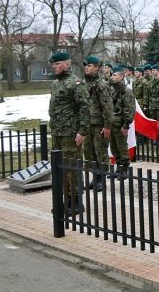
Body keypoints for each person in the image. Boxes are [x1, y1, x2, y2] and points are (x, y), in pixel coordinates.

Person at [48, 52, 90, 214]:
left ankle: (77, 203)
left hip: (71, 134)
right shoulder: (56, 84)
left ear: (67, 64)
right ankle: (67, 201)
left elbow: (85, 108)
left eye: (57, 64)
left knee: (73, 169)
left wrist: (82, 131)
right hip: (58, 133)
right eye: (53, 64)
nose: (54, 66)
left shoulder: (76, 83)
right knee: (61, 169)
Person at [82, 55, 112, 191]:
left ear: (96, 68)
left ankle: (101, 180)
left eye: (89, 66)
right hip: (87, 124)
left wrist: (107, 126)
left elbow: (107, 107)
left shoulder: (101, 84)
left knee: (101, 152)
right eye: (86, 66)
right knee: (89, 152)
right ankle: (95, 178)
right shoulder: (84, 83)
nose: (86, 68)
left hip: (99, 124)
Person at [108, 66, 136, 176]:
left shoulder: (126, 91)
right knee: (114, 148)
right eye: (112, 75)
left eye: (114, 75)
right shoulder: (111, 89)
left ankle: (125, 169)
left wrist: (125, 125)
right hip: (112, 123)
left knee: (122, 147)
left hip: (120, 124)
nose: (112, 77)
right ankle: (119, 168)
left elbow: (129, 110)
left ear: (121, 76)